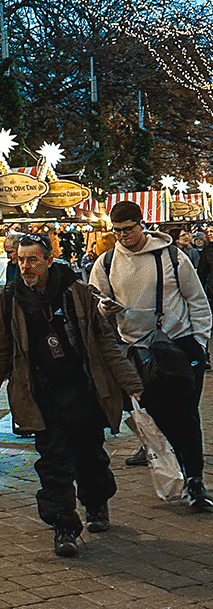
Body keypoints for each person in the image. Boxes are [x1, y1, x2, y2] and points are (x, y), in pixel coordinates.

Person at [0, 234, 142, 555]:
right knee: (53, 464)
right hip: (42, 397)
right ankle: (64, 527)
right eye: (20, 260)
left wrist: (130, 382)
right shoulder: (11, 298)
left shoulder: (76, 293)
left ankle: (96, 505)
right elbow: (1, 345)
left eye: (32, 260)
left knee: (90, 458)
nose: (25, 266)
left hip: (83, 393)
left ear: (49, 261)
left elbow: (104, 343)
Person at [87, 200, 213, 512]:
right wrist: (106, 309)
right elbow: (93, 307)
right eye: (116, 231)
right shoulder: (105, 264)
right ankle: (173, 471)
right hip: (136, 352)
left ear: (141, 224)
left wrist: (200, 340)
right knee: (152, 416)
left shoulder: (171, 256)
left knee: (185, 416)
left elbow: (196, 299)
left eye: (128, 229)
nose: (123, 236)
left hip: (178, 346)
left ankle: (194, 480)